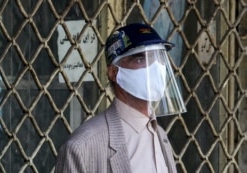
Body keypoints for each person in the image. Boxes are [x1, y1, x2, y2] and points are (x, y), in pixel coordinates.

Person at [55, 23, 186, 173]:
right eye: (140, 59)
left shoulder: (159, 134)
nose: (154, 68)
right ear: (113, 73)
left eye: (157, 58)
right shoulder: (81, 148)